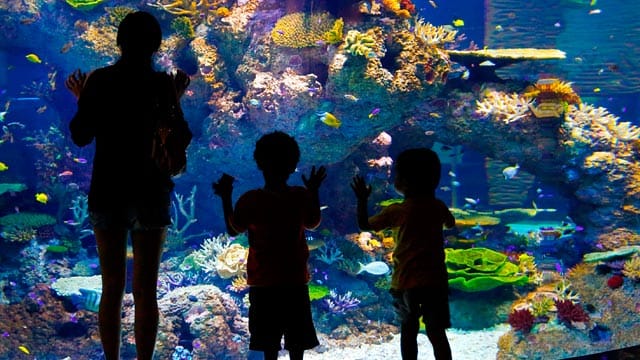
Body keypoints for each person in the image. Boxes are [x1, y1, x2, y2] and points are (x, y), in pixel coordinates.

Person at [65, 11, 192, 360]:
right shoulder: (164, 85)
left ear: (119, 42)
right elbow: (181, 135)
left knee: (111, 289)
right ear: (155, 45)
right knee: (145, 291)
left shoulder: (99, 80)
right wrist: (175, 99)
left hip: (108, 191)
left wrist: (85, 99)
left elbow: (79, 135)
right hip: (150, 192)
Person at [212, 131, 326, 360]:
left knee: (268, 344)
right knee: (297, 343)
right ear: (293, 164)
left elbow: (234, 229)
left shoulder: (251, 199)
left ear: (259, 163)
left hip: (263, 283)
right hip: (294, 280)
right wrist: (313, 192)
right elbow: (313, 222)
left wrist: (226, 196)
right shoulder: (299, 196)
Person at [351, 148, 455, 360]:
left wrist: (362, 199)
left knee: (409, 329)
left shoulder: (397, 210)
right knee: (437, 332)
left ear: (405, 182)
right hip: (435, 281)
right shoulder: (438, 206)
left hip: (406, 281)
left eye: (396, 175)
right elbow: (451, 223)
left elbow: (364, 225)